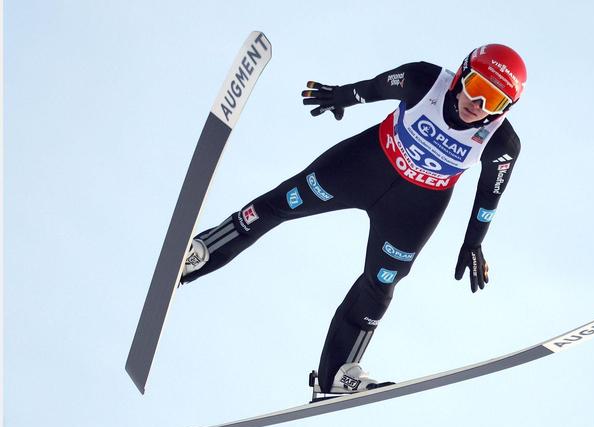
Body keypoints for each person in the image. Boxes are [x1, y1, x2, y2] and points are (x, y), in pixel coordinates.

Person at [180, 43, 527, 397]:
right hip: (362, 167)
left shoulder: (501, 142)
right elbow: (374, 88)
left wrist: (474, 242)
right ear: (462, 74)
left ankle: (337, 374)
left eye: (494, 101)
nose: (478, 105)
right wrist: (340, 97)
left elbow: (489, 196)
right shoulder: (425, 80)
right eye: (477, 88)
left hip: (414, 207)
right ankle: (201, 252)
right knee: (279, 204)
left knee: (381, 284)